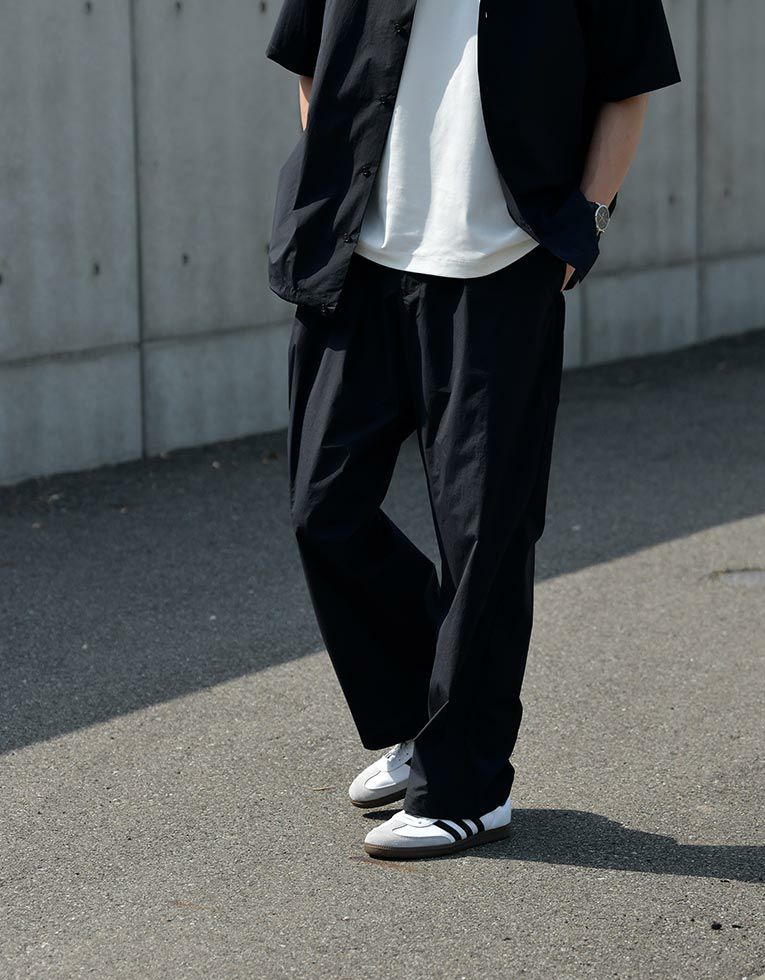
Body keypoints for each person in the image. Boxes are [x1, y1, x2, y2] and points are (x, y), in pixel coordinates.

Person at [265, 0, 680, 859]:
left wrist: (583, 225)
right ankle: (430, 720)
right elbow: (313, 63)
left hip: (500, 269)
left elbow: (627, 83)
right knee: (323, 509)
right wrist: (344, 185)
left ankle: (468, 786)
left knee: (484, 533)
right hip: (359, 261)